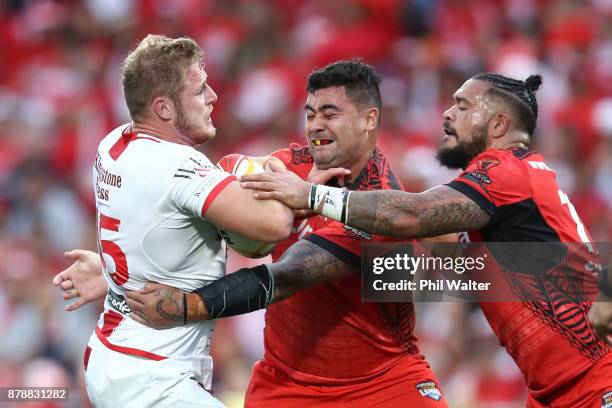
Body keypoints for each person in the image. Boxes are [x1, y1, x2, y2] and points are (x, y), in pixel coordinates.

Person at [55, 60, 450, 407]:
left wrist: (189, 306)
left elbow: (287, 275)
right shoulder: (287, 166)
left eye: (330, 114)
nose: (316, 125)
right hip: (286, 383)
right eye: (310, 113)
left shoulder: (380, 207)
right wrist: (118, 275)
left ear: (369, 119)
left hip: (380, 381)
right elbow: (191, 212)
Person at [240, 73, 612, 407]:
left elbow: (411, 215)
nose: (447, 114)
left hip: (594, 380)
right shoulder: (505, 196)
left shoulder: (504, 170)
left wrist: (310, 197)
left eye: (463, 106)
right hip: (555, 391)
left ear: (498, 124)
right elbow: (439, 257)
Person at [74, 34, 293, 408]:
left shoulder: (111, 144)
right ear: (164, 108)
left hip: (114, 358)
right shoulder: (177, 166)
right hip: (152, 378)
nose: (213, 98)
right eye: (200, 90)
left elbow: (145, 224)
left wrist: (115, 275)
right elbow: (274, 227)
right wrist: (281, 178)